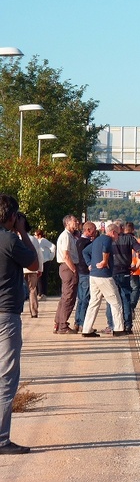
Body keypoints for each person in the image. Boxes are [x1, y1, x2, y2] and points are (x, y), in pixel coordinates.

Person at [0, 194, 39, 454]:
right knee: (6, 376)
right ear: (13, 217)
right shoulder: (10, 239)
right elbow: (34, 263)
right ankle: (2, 440)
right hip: (5, 314)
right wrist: (22, 232)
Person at [81, 222, 125, 338]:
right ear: (113, 232)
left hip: (93, 276)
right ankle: (119, 329)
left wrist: (90, 264)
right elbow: (106, 248)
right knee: (116, 302)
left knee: (94, 302)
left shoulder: (97, 240)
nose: (118, 237)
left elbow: (85, 252)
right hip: (104, 276)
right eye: (118, 235)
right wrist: (105, 261)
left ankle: (87, 329)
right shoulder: (107, 239)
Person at [104, 220, 140, 334]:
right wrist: (136, 266)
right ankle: (127, 325)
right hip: (125, 272)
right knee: (125, 298)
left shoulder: (107, 240)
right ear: (121, 228)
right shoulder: (129, 239)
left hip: (111, 272)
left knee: (110, 299)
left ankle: (112, 325)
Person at [54, 215, 80, 334]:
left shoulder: (69, 236)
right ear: (68, 223)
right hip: (68, 268)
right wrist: (73, 269)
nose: (77, 222)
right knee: (69, 297)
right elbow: (66, 255)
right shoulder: (66, 236)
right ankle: (63, 326)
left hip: (66, 267)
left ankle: (58, 323)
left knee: (65, 296)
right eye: (75, 221)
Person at [74, 221, 97, 332]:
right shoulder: (87, 243)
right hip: (86, 272)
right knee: (86, 298)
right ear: (88, 230)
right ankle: (83, 323)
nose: (96, 232)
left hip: (79, 271)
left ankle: (77, 322)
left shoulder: (78, 241)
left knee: (81, 298)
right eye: (94, 229)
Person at [22, 217, 43, 319]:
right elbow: (39, 255)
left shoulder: (16, 239)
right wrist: (40, 268)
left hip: (20, 268)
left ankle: (18, 309)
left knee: (18, 289)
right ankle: (34, 311)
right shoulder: (33, 239)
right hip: (32, 268)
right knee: (32, 290)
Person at [126, 222, 140, 317]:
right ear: (133, 230)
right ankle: (131, 306)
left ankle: (127, 308)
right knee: (135, 289)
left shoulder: (122, 240)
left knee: (126, 289)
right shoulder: (138, 240)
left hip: (125, 268)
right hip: (136, 269)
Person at [34, 230, 54, 299]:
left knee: (43, 277)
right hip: (41, 261)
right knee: (39, 277)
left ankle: (42, 293)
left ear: (39, 235)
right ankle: (40, 293)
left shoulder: (43, 240)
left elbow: (53, 247)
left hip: (45, 261)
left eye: (35, 235)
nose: (34, 236)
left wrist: (51, 256)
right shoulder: (38, 242)